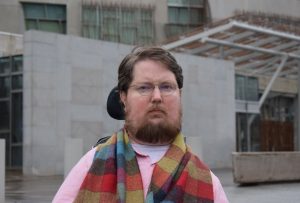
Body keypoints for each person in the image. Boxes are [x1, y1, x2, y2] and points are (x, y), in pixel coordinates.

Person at [53, 46, 229, 203]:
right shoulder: (90, 165)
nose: (157, 97)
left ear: (180, 95)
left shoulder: (207, 182)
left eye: (167, 87)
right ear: (123, 97)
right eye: (144, 88)